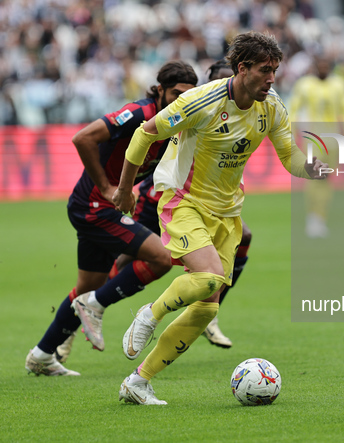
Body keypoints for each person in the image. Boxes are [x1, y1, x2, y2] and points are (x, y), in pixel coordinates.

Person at [114, 31, 327, 405]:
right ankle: (150, 313)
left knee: (207, 306)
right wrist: (124, 189)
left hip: (227, 212)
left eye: (275, 70)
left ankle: (138, 381)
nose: (272, 79)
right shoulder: (202, 100)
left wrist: (314, 168)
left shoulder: (272, 106)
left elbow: (289, 156)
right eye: (265, 70)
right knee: (209, 276)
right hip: (182, 199)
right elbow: (145, 133)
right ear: (242, 69)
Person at [25, 61, 198, 376]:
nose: (179, 101)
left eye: (187, 95)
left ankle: (42, 355)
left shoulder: (176, 124)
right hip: (94, 205)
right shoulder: (138, 113)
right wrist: (107, 187)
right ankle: (97, 306)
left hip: (102, 208)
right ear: (160, 90)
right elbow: (83, 138)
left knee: (87, 286)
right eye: (175, 93)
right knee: (161, 258)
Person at [108, 60, 249, 349]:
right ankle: (97, 303)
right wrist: (123, 189)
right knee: (134, 258)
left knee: (231, 249)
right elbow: (145, 136)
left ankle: (209, 309)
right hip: (162, 196)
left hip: (212, 204)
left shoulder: (244, 111)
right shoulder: (199, 105)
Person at [289, 55, 344, 238]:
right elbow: (293, 109)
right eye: (320, 64)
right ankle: (313, 218)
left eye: (326, 65)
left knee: (326, 179)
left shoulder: (339, 85)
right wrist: (292, 133)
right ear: (315, 66)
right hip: (313, 139)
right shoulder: (305, 85)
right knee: (314, 177)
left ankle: (320, 217)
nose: (323, 68)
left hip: (333, 140)